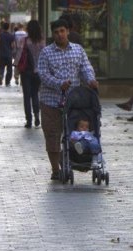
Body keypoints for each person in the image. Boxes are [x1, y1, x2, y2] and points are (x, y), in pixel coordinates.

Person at [38, 19, 98, 181]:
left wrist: (91, 80)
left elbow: (86, 68)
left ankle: (75, 160)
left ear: (68, 32)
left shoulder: (78, 50)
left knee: (76, 133)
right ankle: (55, 169)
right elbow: (43, 75)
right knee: (52, 135)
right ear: (53, 34)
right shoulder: (46, 53)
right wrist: (59, 84)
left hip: (74, 102)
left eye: (62, 31)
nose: (60, 34)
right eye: (56, 32)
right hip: (51, 101)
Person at [15, 20, 45, 128]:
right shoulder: (42, 41)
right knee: (35, 94)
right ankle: (37, 116)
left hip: (26, 71)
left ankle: (29, 120)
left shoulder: (25, 40)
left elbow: (19, 54)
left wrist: (16, 68)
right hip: (38, 71)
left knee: (27, 96)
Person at [0, 22, 15, 87]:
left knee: (1, 67)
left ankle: (1, 75)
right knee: (9, 69)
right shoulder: (11, 36)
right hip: (8, 55)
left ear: (3, 27)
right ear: (8, 27)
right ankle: (7, 81)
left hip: (1, 54)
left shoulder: (0, 35)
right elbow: (13, 45)